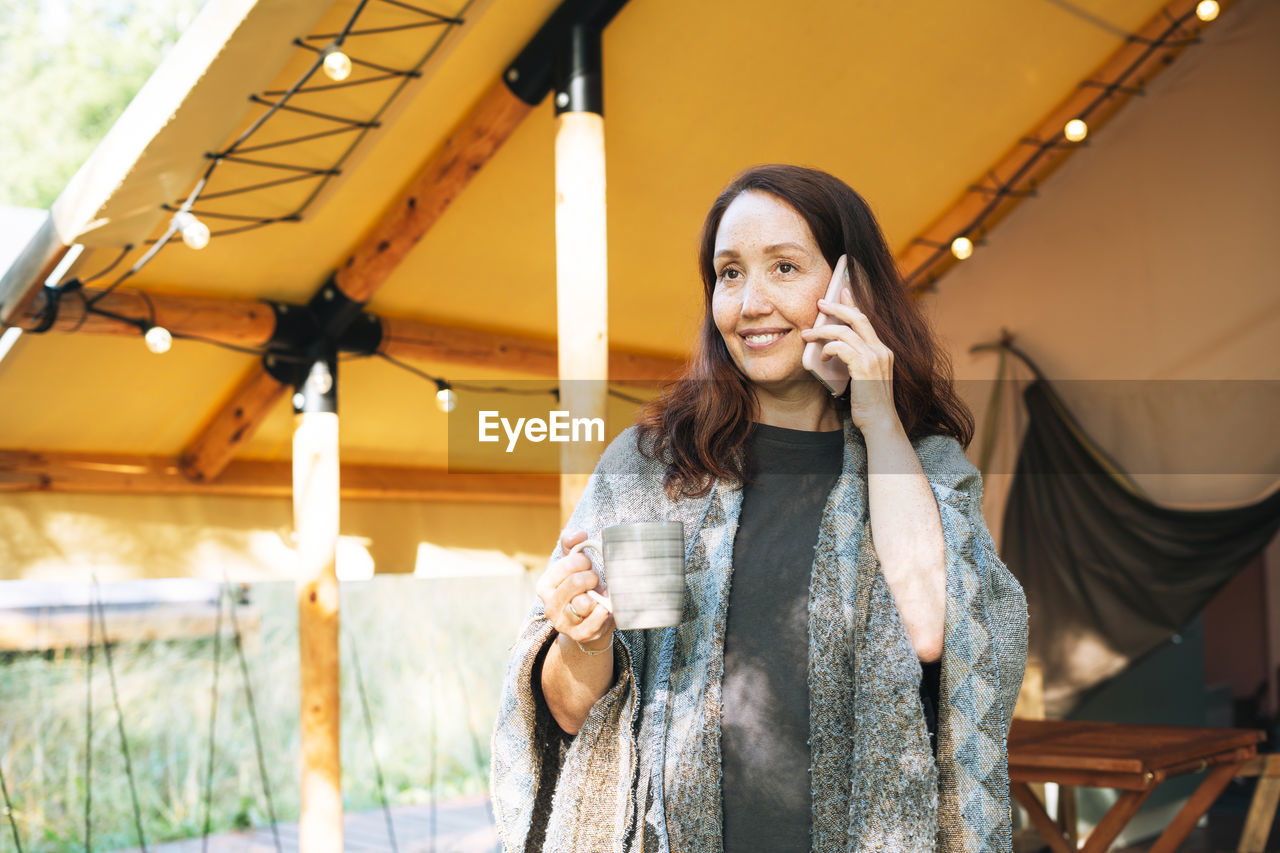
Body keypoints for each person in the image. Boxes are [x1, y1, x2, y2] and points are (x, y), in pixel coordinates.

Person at [490, 164, 1028, 852]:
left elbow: (932, 630)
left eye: (784, 267)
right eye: (730, 272)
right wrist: (583, 640)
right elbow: (572, 713)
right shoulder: (656, 468)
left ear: (850, 287)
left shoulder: (921, 466)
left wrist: (879, 417)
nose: (749, 302)